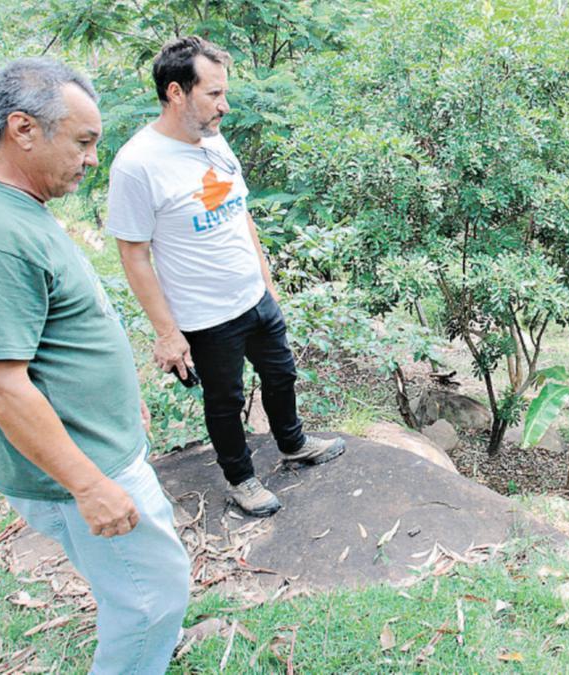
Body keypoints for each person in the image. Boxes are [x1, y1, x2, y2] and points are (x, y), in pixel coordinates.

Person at [0, 58, 189, 674]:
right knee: (150, 601)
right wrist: (91, 485)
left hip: (95, 444)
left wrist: (118, 402)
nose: (93, 158)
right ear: (22, 129)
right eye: (84, 141)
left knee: (140, 590)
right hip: (82, 470)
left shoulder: (12, 209)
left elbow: (46, 339)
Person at [107, 36, 345, 518]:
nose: (225, 105)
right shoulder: (137, 165)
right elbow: (134, 255)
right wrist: (167, 333)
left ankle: (293, 443)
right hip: (205, 313)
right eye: (214, 94)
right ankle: (241, 479)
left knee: (281, 374)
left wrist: (266, 280)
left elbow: (241, 215)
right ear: (176, 93)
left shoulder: (214, 140)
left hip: (253, 296)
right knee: (225, 400)